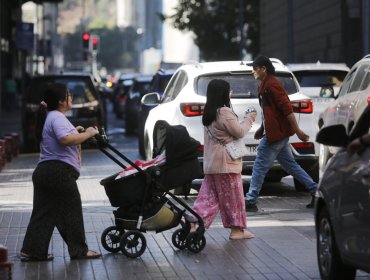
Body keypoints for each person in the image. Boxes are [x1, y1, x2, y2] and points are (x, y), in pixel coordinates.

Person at [20, 83, 101, 261]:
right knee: (72, 211)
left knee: (43, 213)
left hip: (44, 172)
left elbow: (65, 136)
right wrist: (88, 133)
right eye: (69, 95)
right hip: (59, 173)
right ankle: (79, 250)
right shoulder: (57, 117)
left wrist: (77, 131)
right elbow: (65, 139)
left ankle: (32, 251)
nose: (71, 98)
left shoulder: (51, 116)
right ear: (61, 101)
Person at [245, 55, 317, 212]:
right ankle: (316, 191)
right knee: (290, 165)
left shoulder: (272, 85)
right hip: (275, 133)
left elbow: (287, 109)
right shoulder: (264, 85)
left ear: (264, 69)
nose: (253, 72)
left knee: (259, 165)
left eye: (255, 68)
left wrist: (297, 130)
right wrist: (262, 128)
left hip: (276, 135)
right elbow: (271, 113)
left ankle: (251, 200)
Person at [191, 79, 257, 240]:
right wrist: (250, 118)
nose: (230, 93)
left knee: (208, 198)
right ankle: (237, 231)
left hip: (212, 165)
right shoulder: (224, 112)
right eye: (228, 90)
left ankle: (192, 221)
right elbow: (240, 132)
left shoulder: (209, 112)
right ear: (223, 93)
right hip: (227, 165)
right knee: (234, 199)